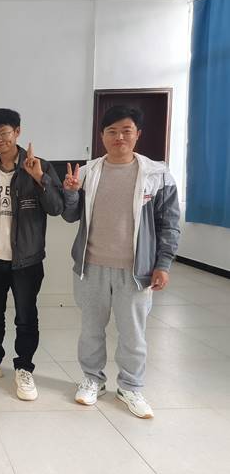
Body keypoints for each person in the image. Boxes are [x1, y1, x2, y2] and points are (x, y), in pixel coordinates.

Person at [62, 105, 180, 419]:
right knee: (91, 330)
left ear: (137, 134)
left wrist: (163, 264)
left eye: (126, 131)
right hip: (91, 267)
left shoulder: (157, 174)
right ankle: (93, 380)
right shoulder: (88, 172)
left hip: (136, 270)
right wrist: (71, 193)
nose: (119, 137)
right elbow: (71, 215)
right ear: (102, 135)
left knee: (133, 334)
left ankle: (131, 387)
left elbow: (169, 223)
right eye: (112, 131)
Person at [0, 108, 63, 401]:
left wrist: (40, 178)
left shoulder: (38, 166)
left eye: (4, 133)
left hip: (27, 260)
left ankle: (24, 368)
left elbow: (57, 208)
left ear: (17, 132)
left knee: (26, 317)